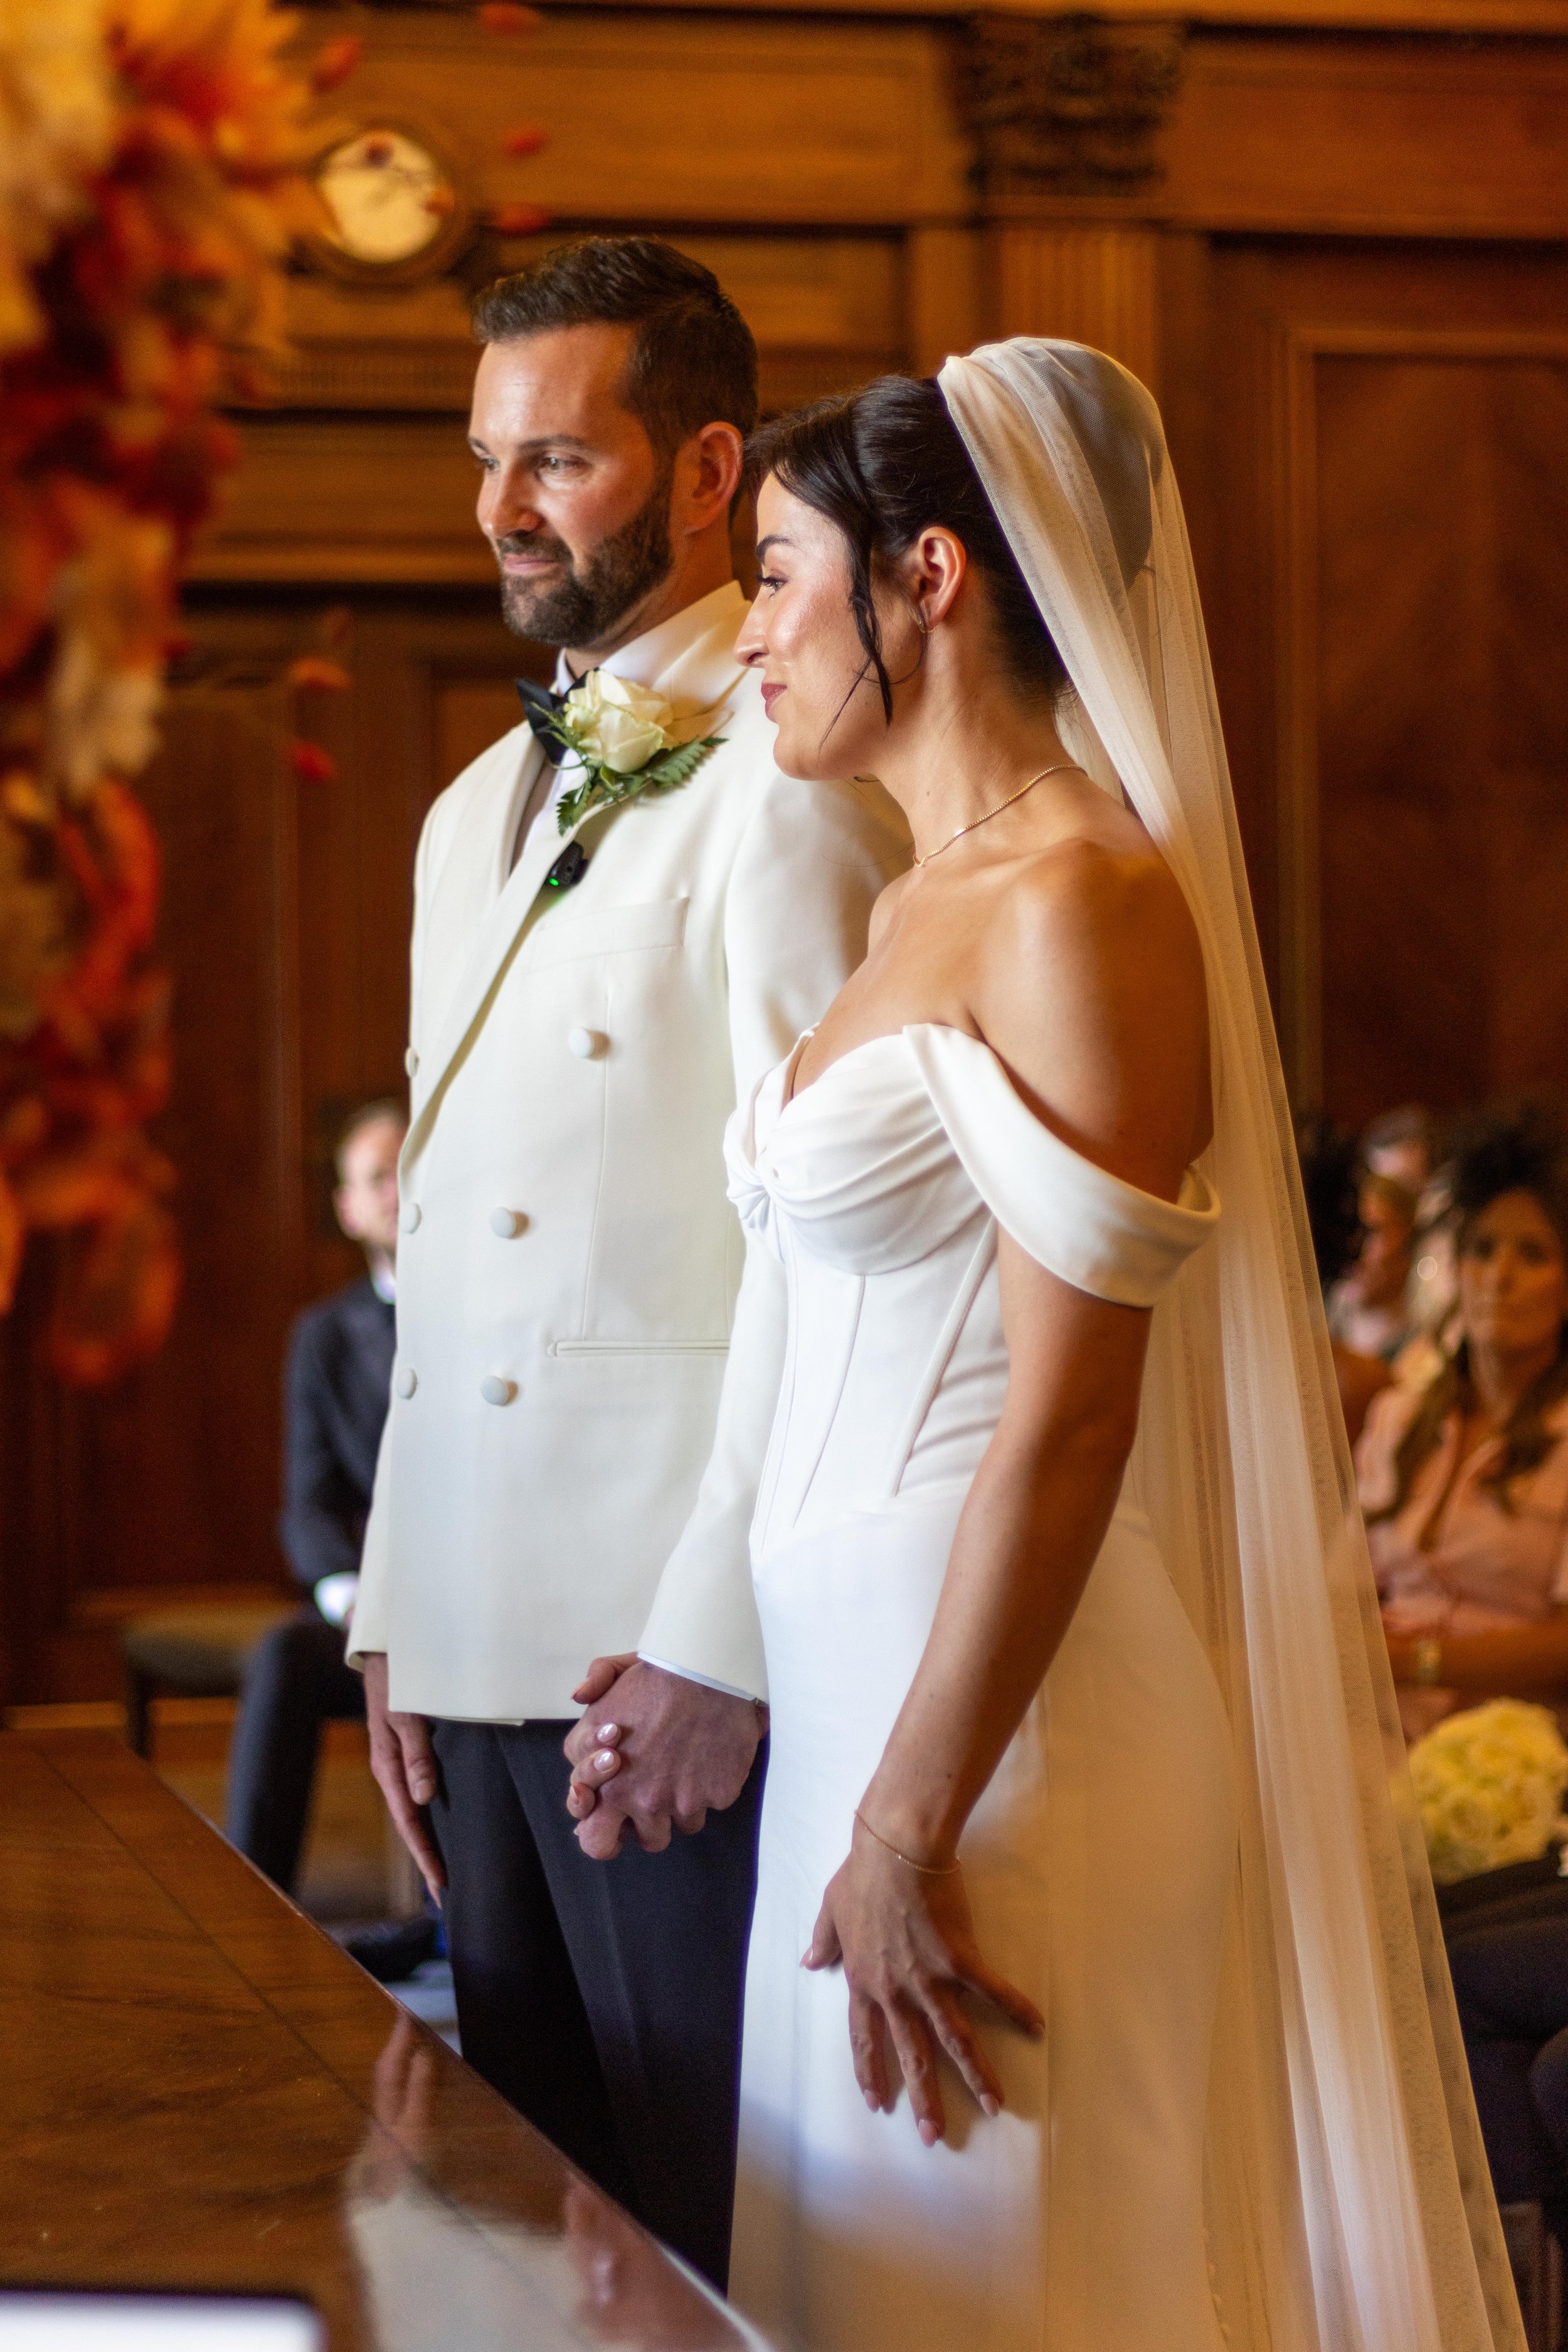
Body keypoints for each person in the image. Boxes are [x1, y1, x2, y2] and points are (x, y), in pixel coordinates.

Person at [570, 347, 1520, 2349]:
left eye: (771, 575)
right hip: (857, 1703)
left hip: (1010, 1734)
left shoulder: (1084, 896)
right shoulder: (918, 899)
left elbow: (1068, 1416)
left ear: (926, 577)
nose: (744, 631)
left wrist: (910, 1814)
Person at [346, 236, 905, 2291]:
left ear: (704, 472)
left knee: (694, 2244)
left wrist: (712, 1644)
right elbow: (446, 1257)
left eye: (557, 459)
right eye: (486, 456)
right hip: (478, 1641)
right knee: (523, 2255)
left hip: (661, 1669)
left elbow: (819, 1251)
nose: (501, 507)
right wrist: (398, 1610)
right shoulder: (463, 809)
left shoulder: (801, 786)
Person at [224, 1099, 403, 1898]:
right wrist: (358, 1607)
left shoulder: (506, 1316)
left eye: (406, 1167)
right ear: (348, 1209)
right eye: (374, 1178)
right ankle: (252, 1905)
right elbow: (310, 1500)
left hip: (494, 1605)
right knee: (286, 1658)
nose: (395, 1191)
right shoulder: (325, 1336)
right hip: (373, 1609)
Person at [1358, 1103, 1568, 1743]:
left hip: (1510, 1748)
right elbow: (1342, 1587)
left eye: (1530, 1254)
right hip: (1374, 1725)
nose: (1498, 1278)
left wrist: (1413, 1663)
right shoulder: (1400, 1417)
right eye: (1481, 1249)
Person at [1328, 1165, 1419, 1362]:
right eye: (1352, 1231)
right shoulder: (1332, 1319)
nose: (1356, 1249)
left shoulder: (1425, 1338)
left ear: (1409, 1238)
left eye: (1373, 1231)